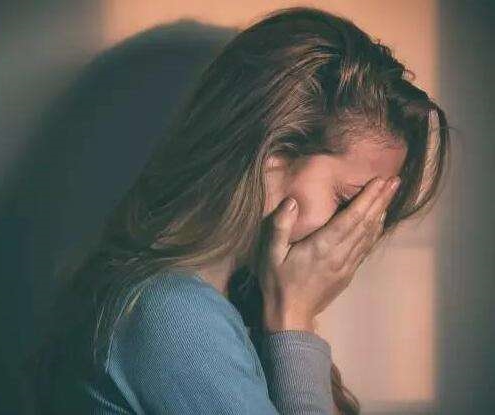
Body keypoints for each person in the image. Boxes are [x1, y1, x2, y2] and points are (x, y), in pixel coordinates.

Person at [24, 6, 450, 415]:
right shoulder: (171, 314)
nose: (359, 231)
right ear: (273, 153)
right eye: (347, 200)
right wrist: (294, 317)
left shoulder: (222, 302)